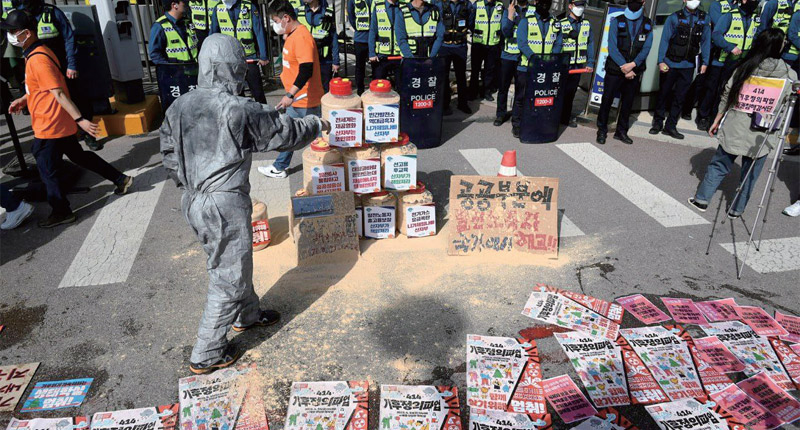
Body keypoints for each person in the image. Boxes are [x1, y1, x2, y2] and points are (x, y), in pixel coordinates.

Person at [160, 33, 329, 374]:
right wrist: (318, 123)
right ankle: (206, 352)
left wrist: (191, 185)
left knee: (232, 261)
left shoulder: (180, 106)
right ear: (232, 69)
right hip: (223, 203)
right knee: (229, 277)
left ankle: (247, 315)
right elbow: (286, 133)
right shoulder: (236, 108)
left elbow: (167, 152)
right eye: (240, 68)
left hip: (194, 200)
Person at [3, 11, 134, 228]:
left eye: (12, 31)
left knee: (46, 169)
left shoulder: (38, 59)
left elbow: (58, 93)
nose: (9, 35)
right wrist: (25, 99)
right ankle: (120, 179)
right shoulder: (38, 52)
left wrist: (81, 119)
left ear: (26, 33)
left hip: (49, 124)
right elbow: (41, 87)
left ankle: (61, 211)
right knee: (79, 156)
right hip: (57, 121)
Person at [689, 29, 797, 219]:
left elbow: (727, 94)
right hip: (762, 132)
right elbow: (789, 103)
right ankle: (736, 210)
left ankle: (702, 199)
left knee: (719, 164)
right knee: (750, 174)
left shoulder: (745, 68)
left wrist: (717, 120)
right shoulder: (789, 75)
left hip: (735, 126)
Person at [259, 0, 325, 179]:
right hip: (297, 98)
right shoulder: (293, 35)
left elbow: (306, 70)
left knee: (317, 136)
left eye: (275, 20)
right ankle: (280, 167)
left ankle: (328, 167)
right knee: (291, 134)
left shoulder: (302, 37)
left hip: (303, 98)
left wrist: (290, 95)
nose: (274, 25)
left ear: (286, 18)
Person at [650, 0, 710, 140]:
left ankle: (671, 126)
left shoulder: (704, 18)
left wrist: (705, 62)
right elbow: (664, 40)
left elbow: (706, 41)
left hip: (688, 65)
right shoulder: (674, 17)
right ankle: (657, 123)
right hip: (670, 63)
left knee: (679, 98)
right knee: (663, 94)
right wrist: (660, 61)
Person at [595, 0, 652, 145]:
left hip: (634, 70)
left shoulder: (647, 23)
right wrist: (624, 66)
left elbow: (646, 48)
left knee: (627, 103)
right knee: (606, 100)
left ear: (644, 2)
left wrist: (633, 65)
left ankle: (621, 131)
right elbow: (612, 47)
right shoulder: (617, 21)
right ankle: (601, 130)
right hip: (615, 69)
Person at [696, 0, 758, 131]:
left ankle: (716, 120)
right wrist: (730, 47)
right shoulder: (730, 15)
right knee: (712, 89)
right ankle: (703, 117)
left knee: (726, 91)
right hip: (721, 59)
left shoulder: (754, 18)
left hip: (740, 62)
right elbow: (716, 34)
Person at [515, 0, 561, 138]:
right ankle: (517, 124)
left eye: (548, 2)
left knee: (541, 99)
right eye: (542, 1)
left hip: (545, 69)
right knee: (521, 98)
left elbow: (558, 43)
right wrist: (535, 60)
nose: (545, 5)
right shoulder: (526, 21)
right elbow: (522, 43)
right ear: (536, 2)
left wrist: (550, 59)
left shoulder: (555, 23)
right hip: (526, 68)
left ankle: (536, 122)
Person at [210, 0, 269, 103]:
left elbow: (259, 31)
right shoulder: (218, 8)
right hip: (230, 59)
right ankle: (242, 117)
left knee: (257, 91)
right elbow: (213, 35)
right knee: (237, 93)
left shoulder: (249, 7)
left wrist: (263, 55)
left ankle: (265, 115)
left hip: (249, 57)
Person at [558, 0, 594, 128]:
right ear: (570, 6)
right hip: (564, 65)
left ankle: (565, 118)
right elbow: (556, 45)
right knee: (559, 91)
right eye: (577, 5)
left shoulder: (586, 24)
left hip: (577, 66)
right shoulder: (561, 24)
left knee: (571, 92)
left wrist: (590, 62)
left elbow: (590, 44)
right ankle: (555, 117)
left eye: (582, 5)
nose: (580, 8)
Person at [436, 0, 474, 115]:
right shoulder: (440, 4)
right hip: (444, 46)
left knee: (461, 76)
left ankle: (462, 103)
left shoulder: (467, 5)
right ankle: (444, 105)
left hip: (460, 46)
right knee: (443, 76)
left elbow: (471, 23)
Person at [298, 0, 339, 92]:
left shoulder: (328, 13)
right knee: (307, 89)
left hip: (324, 59)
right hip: (306, 59)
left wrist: (336, 61)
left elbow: (333, 38)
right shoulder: (298, 12)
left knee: (325, 90)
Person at [495, 0, 525, 126]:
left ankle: (516, 120)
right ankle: (500, 115)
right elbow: (506, 32)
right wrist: (510, 16)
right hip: (507, 57)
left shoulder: (531, 12)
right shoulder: (509, 10)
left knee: (520, 90)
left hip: (522, 57)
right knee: (503, 88)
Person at [470, 0, 503, 101]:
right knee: (475, 69)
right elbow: (470, 22)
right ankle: (473, 92)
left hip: (493, 44)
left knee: (490, 70)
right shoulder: (477, 5)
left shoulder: (500, 6)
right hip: (478, 43)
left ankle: (486, 92)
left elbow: (502, 23)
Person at [149, 0, 198, 65]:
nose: (187, 4)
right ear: (174, 5)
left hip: (194, 69)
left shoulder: (187, 22)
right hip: (176, 72)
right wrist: (169, 69)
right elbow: (155, 54)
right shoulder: (160, 26)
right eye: (183, 2)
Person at [369, 0, 403, 80]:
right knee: (380, 87)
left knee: (402, 88)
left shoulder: (404, 7)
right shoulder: (378, 7)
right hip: (382, 56)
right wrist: (372, 53)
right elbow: (373, 31)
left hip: (400, 55)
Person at [347, 0, 372, 94]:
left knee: (376, 66)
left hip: (374, 38)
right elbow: (351, 17)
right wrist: (358, 28)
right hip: (360, 38)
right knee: (360, 66)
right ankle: (360, 90)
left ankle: (375, 90)